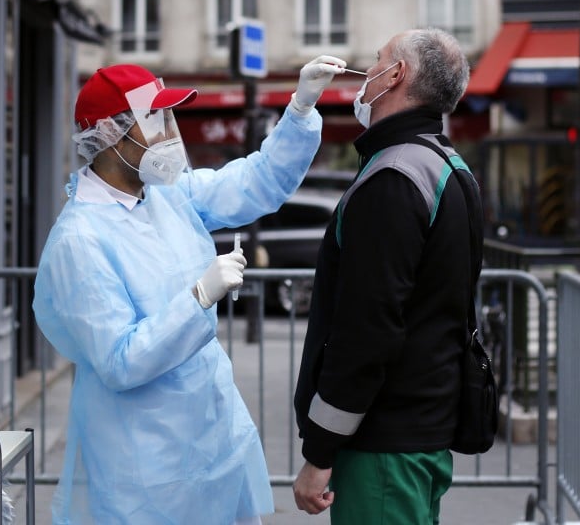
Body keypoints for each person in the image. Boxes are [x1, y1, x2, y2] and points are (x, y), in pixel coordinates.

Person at [33, 58, 345, 524]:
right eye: (156, 120)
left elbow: (254, 182)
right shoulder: (80, 240)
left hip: (209, 435)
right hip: (141, 464)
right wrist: (197, 298)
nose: (170, 133)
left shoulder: (165, 195)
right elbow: (119, 360)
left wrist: (300, 109)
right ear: (112, 135)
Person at [293, 28, 484, 524]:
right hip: (417, 435)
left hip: (381, 445)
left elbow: (366, 332)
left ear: (396, 75)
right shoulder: (446, 165)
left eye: (377, 60)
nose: (366, 71)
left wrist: (319, 452)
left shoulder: (392, 178)